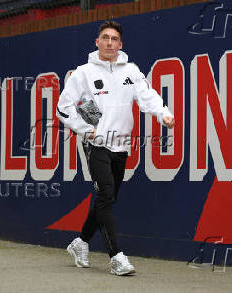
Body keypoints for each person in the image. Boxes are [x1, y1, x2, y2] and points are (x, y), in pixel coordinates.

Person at [56, 21, 175, 276]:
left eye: (114, 39)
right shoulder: (83, 73)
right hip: (96, 144)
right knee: (106, 196)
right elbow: (63, 108)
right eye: (105, 38)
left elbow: (147, 95)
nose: (109, 43)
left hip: (121, 145)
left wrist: (163, 113)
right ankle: (116, 257)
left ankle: (80, 242)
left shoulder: (131, 70)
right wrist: (87, 130)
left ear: (120, 45)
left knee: (106, 198)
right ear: (96, 42)